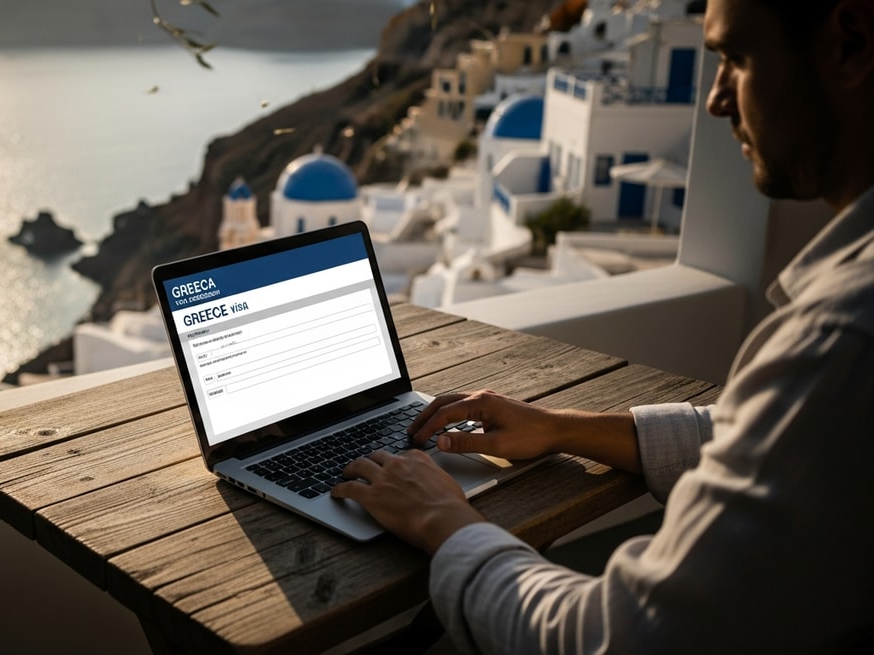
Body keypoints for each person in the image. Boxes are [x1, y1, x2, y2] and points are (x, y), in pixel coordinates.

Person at [332, 0, 874, 652]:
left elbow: (618, 638)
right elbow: (758, 434)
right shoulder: (838, 360)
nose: (716, 100)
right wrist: (561, 427)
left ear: (851, 44)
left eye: (736, 58)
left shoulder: (842, 337)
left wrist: (442, 517)